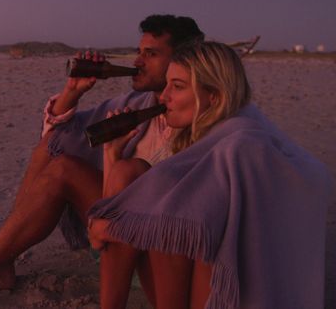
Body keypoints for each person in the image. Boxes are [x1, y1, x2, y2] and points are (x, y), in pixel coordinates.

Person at [0, 14, 205, 308]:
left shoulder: (202, 121)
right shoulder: (137, 102)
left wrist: (113, 162)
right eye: (138, 52)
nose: (137, 62)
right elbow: (59, 139)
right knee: (49, 151)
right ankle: (1, 264)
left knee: (67, 170)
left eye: (150, 54)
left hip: (152, 259)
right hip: (118, 229)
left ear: (183, 60)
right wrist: (73, 92)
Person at [88, 41, 332, 308]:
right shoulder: (211, 133)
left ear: (214, 96)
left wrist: (108, 228)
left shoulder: (241, 142)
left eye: (178, 87)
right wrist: (112, 154)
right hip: (202, 273)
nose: (163, 96)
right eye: (167, 84)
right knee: (130, 171)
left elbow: (185, 222)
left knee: (171, 196)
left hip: (238, 293)